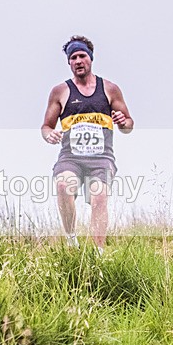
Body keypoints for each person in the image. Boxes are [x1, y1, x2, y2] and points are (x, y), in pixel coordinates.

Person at [41, 36, 134, 252]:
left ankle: (98, 252)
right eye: (73, 58)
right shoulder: (60, 92)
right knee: (63, 185)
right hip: (70, 157)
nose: (78, 61)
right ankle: (71, 240)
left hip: (101, 158)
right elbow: (46, 126)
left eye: (82, 56)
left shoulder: (110, 89)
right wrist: (49, 135)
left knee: (99, 196)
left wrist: (122, 122)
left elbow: (128, 125)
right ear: (69, 62)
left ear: (90, 58)